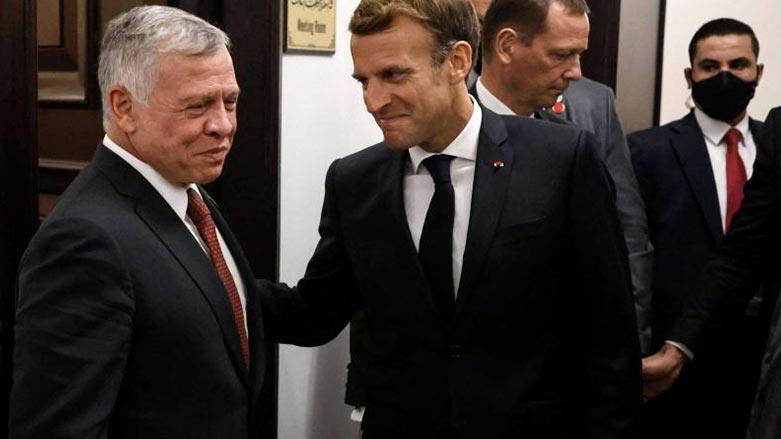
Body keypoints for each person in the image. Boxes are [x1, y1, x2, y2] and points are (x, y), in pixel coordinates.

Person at [258, 0, 641, 437]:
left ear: (458, 61)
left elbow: (611, 338)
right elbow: (313, 312)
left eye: (394, 75)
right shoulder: (354, 181)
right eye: (364, 80)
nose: (373, 100)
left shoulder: (561, 160)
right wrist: (208, 280)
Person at [10, 6, 270, 438]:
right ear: (124, 106)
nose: (223, 125)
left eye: (230, 101)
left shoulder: (186, 191)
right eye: (198, 105)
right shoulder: (84, 241)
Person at [471, 0, 653, 352]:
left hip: (562, 368)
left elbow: (624, 239)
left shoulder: (573, 145)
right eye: (561, 55)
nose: (576, 72)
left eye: (579, 54)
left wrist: (632, 349)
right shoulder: (443, 131)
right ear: (506, 46)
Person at [635, 19, 779, 439]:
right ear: (689, 75)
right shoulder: (648, 150)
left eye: (738, 65)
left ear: (759, 73)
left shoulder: (773, 141)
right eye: (710, 67)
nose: (726, 77)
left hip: (761, 347)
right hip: (679, 341)